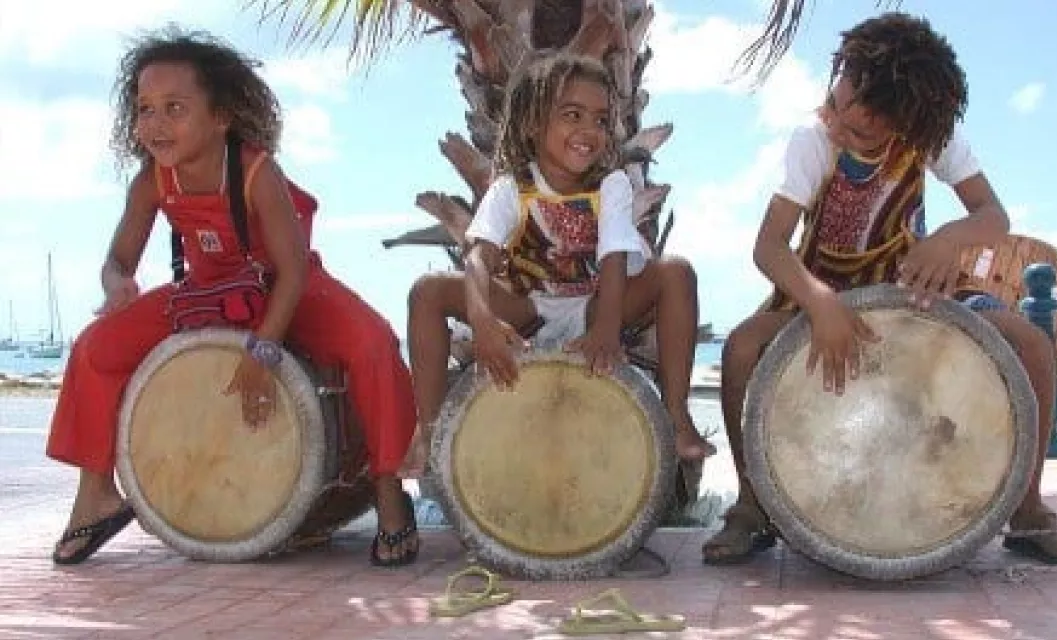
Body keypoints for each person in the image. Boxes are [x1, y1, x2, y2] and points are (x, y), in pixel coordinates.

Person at [702, 12, 1057, 567]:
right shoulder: (814, 141)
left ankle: (1027, 511)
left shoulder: (932, 138)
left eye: (858, 128)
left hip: (912, 295)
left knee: (1029, 343)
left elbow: (994, 215)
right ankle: (751, 507)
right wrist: (819, 302)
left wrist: (952, 239)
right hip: (823, 295)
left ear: (907, 125)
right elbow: (769, 247)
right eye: (834, 103)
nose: (837, 123)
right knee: (743, 346)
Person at [47, 27, 419, 567]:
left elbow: (292, 274)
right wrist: (117, 286)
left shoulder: (256, 172)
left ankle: (389, 494)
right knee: (94, 347)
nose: (156, 123)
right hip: (206, 292)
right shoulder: (153, 180)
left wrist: (262, 351)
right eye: (145, 109)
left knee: (373, 342)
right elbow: (118, 259)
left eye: (175, 107)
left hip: (289, 287)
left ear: (220, 116)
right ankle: (96, 495)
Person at [401, 52, 715, 475]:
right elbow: (478, 258)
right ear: (533, 123)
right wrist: (483, 323)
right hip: (527, 307)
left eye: (601, 120)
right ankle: (430, 429)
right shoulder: (512, 188)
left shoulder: (612, 185)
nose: (590, 131)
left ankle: (676, 415)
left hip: (594, 304)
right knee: (428, 291)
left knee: (677, 272)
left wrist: (606, 329)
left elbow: (614, 255)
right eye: (573, 115)